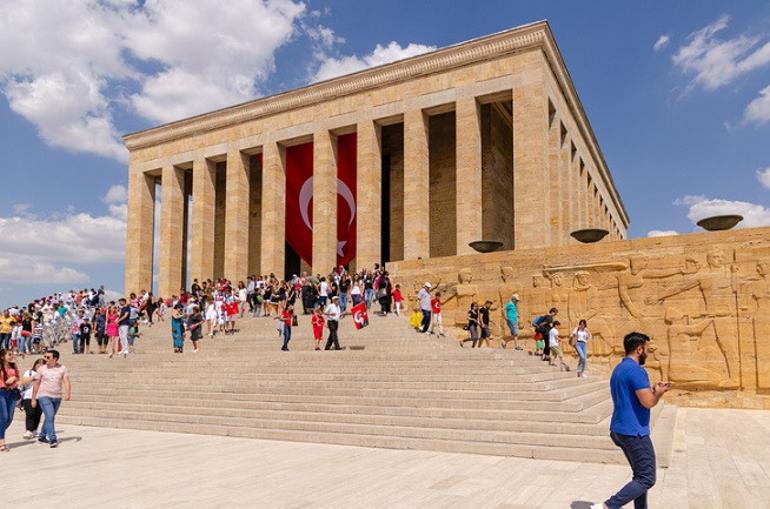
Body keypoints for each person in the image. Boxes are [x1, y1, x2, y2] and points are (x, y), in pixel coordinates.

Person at [592, 332, 671, 509]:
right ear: (639, 349)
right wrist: (658, 393)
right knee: (647, 478)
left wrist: (652, 389)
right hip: (633, 431)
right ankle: (606, 507)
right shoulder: (636, 371)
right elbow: (648, 402)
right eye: (647, 350)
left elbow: (633, 396)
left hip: (619, 429)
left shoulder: (619, 369)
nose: (648, 354)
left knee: (640, 476)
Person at [31, 349, 71, 448]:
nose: (45, 359)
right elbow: (36, 384)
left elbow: (66, 381)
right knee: (50, 416)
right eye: (45, 356)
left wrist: (68, 393)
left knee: (49, 417)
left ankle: (42, 436)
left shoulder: (62, 368)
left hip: (57, 397)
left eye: (48, 357)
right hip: (44, 395)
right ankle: (53, 439)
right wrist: (33, 398)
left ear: (55, 359)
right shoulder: (41, 369)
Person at [0, 348, 20, 451]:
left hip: (12, 393)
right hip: (1, 392)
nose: (11, 356)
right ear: (2, 356)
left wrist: (14, 379)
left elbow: (18, 377)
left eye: (12, 354)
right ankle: (2, 442)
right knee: (3, 417)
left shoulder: (13, 366)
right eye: (9, 355)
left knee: (9, 419)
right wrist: (6, 382)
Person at [21, 358, 45, 440]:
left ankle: (34, 430)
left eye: (42, 365)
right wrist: (34, 377)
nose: (40, 366)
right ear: (35, 365)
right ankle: (28, 430)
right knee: (30, 413)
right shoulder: (29, 372)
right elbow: (23, 382)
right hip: (28, 396)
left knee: (38, 414)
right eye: (38, 364)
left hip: (41, 396)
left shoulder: (45, 374)